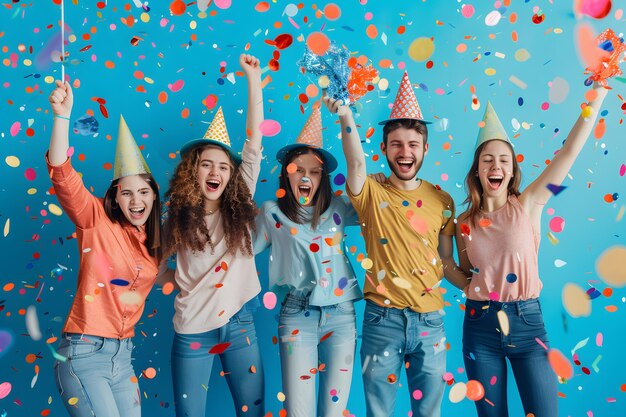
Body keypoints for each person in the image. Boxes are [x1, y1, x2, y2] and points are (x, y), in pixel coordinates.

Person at [455, 82, 608, 417]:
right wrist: (459, 277)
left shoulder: (530, 203)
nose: (496, 166)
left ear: (511, 171)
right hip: (479, 328)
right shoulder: (463, 222)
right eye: (488, 160)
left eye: (503, 161)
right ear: (478, 170)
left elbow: (569, 151)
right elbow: (466, 273)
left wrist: (599, 92)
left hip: (527, 324)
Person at [323, 72, 467, 417]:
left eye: (413, 145)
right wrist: (345, 114)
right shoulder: (371, 192)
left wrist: (475, 286)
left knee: (429, 412)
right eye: (397, 144)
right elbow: (355, 162)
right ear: (384, 149)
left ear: (425, 149)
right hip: (382, 320)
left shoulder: (442, 200)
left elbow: (446, 261)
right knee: (379, 412)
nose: (405, 152)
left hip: (430, 322)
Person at [47, 80, 164, 417]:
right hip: (84, 354)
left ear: (154, 197)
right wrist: (62, 118)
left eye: (143, 192)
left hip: (123, 358)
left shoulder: (154, 245)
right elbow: (61, 173)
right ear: (115, 197)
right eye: (126, 193)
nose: (135, 200)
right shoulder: (95, 218)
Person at [161, 54, 265, 417]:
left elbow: (253, 146)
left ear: (231, 175)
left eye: (223, 166)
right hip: (192, 331)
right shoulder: (176, 217)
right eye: (207, 163)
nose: (215, 171)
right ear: (194, 170)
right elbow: (156, 265)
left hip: (240, 324)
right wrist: (180, 280)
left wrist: (253, 80)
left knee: (252, 411)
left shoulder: (239, 203)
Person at [254, 103, 362, 417]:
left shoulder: (339, 207)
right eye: (299, 169)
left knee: (334, 411)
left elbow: (371, 202)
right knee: (298, 411)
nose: (306, 177)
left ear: (323, 178)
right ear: (286, 172)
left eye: (314, 172)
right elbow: (242, 250)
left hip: (341, 315)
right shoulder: (271, 212)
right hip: (296, 315)